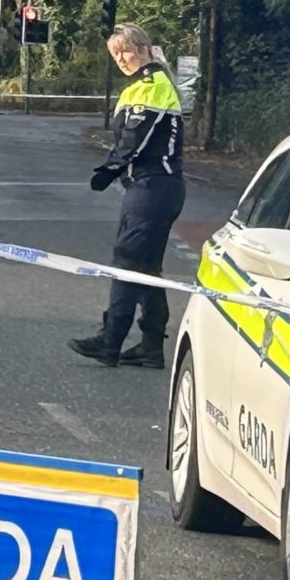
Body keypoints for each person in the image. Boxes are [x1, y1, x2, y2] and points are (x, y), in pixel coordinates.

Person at [69, 23, 185, 368]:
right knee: (147, 268)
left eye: (126, 50)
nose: (121, 58)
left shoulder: (152, 86)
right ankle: (151, 345)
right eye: (115, 53)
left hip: (154, 186)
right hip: (150, 186)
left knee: (127, 261)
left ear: (145, 49)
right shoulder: (139, 86)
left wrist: (111, 168)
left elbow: (136, 139)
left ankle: (110, 340)